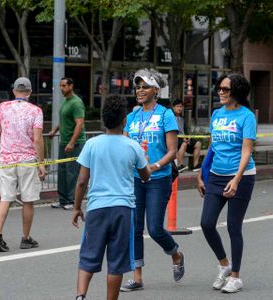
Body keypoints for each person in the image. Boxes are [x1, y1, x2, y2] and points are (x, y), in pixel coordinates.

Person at [72, 95, 151, 300]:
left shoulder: (92, 144)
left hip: (97, 208)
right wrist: (146, 161)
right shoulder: (132, 146)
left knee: (88, 257)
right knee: (116, 263)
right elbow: (145, 175)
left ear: (103, 119)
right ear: (124, 121)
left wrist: (76, 207)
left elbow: (81, 181)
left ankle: (81, 296)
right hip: (123, 209)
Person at [121, 68, 185, 292]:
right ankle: (137, 277)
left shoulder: (166, 114)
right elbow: (126, 147)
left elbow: (172, 152)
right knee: (135, 228)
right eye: (137, 86)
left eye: (145, 86)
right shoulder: (131, 116)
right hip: (136, 180)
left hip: (158, 178)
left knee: (155, 228)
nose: (140, 90)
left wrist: (154, 166)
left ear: (156, 90)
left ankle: (176, 254)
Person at [197, 73, 256, 293]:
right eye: (219, 88)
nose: (220, 92)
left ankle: (236, 277)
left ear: (236, 92)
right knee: (206, 223)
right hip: (215, 175)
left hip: (242, 176)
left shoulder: (247, 116)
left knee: (233, 226)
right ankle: (224, 265)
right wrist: (201, 173)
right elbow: (213, 148)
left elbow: (246, 150)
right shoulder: (217, 114)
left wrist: (237, 179)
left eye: (225, 89)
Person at [0, 77, 46, 252]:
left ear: (14, 91)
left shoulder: (2, 107)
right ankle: (25, 238)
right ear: (29, 92)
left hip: (6, 159)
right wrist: (42, 163)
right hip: (27, 160)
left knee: (6, 198)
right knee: (28, 200)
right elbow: (38, 140)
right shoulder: (35, 111)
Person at [49, 77, 86, 210]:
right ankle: (62, 199)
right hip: (64, 142)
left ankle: (71, 200)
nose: (61, 88)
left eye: (64, 86)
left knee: (72, 172)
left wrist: (71, 142)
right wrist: (55, 130)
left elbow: (79, 123)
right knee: (62, 171)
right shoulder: (65, 101)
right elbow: (64, 119)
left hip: (74, 144)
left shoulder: (76, 103)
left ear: (71, 86)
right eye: (60, 86)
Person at [172, 99, 201, 172]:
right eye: (177, 106)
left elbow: (185, 132)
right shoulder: (170, 118)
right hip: (175, 140)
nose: (179, 108)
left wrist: (187, 138)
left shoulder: (182, 118)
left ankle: (195, 165)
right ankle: (179, 165)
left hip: (183, 139)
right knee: (184, 144)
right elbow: (172, 132)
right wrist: (183, 139)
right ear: (173, 107)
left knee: (198, 143)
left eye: (181, 106)